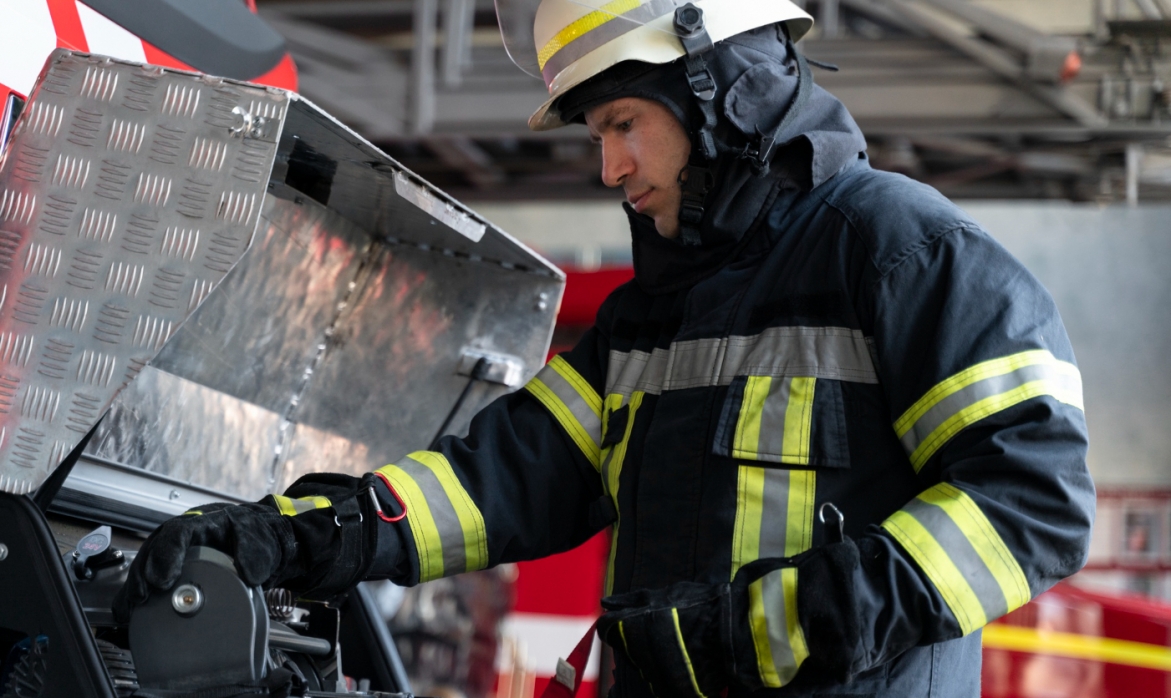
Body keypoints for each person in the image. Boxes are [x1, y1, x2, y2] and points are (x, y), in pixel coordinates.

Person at [115, 1, 1096, 696]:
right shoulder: (651, 316)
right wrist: (299, 534)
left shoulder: (901, 254)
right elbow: (500, 477)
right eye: (597, 133)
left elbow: (1033, 499)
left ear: (722, 88)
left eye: (623, 122)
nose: (609, 165)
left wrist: (770, 629)